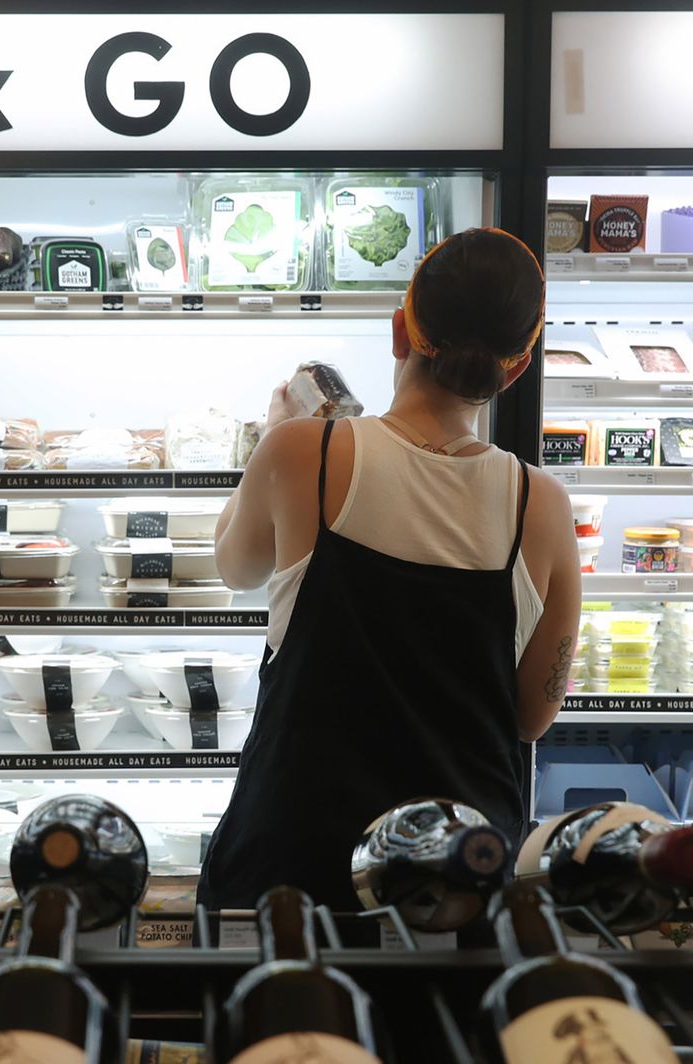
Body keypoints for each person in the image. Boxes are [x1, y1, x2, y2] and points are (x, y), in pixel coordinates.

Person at [198, 227, 583, 913]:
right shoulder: (542, 505)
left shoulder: (304, 452)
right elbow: (533, 716)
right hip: (459, 871)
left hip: (295, 862)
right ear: (517, 368)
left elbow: (235, 566)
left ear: (399, 329)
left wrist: (273, 437)